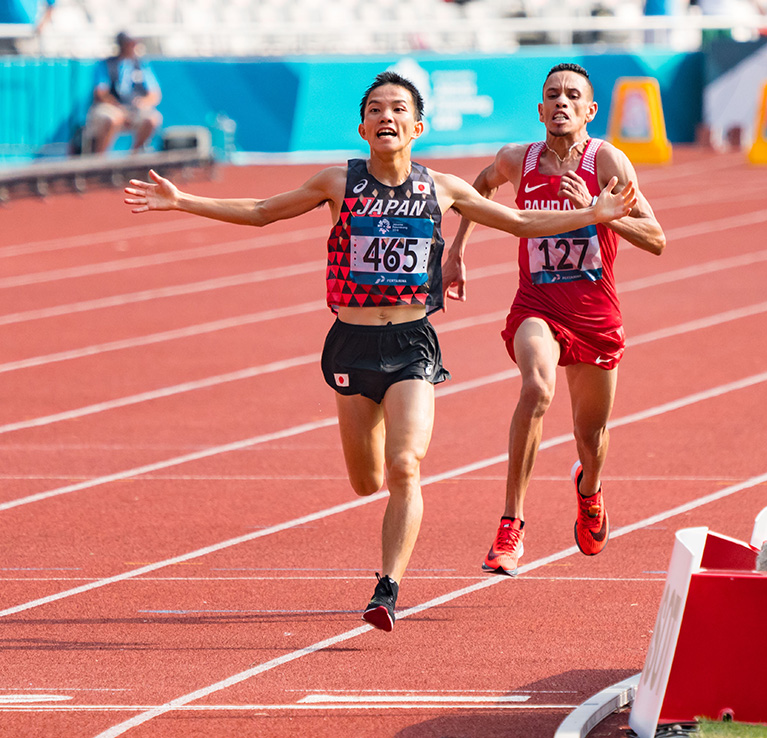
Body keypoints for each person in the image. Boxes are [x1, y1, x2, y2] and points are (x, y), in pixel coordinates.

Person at [123, 71, 637, 632]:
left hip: (412, 342)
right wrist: (182, 201)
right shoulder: (338, 183)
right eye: (376, 109)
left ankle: (387, 588)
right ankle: (386, 547)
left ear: (418, 127)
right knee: (366, 481)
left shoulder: (441, 187)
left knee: (405, 467)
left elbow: (517, 220)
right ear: (363, 126)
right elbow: (262, 210)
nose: (386, 117)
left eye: (398, 109)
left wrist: (593, 215)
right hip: (351, 343)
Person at [444, 63, 665, 576]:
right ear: (540, 110)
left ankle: (589, 490)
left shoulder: (607, 160)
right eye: (552, 95)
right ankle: (511, 526)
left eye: (572, 96)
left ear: (589, 111)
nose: (561, 102)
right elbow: (479, 187)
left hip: (595, 316)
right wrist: (457, 250)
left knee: (591, 436)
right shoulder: (518, 161)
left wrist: (599, 210)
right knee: (537, 388)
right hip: (536, 307)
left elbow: (657, 238)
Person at [86, 31, 162, 155]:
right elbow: (101, 92)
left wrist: (142, 103)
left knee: (152, 119)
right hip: (112, 107)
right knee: (114, 118)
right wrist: (118, 107)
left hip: (134, 108)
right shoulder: (107, 64)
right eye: (131, 43)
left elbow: (154, 94)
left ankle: (133, 158)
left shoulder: (141, 65)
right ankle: (99, 161)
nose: (134, 46)